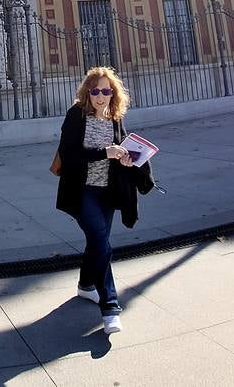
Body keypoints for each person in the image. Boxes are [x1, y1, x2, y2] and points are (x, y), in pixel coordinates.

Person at [54, 66, 154, 336]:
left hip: (108, 191)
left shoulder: (114, 117)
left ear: (113, 94)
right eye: (95, 91)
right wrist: (104, 152)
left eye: (106, 91)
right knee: (102, 244)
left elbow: (120, 147)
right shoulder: (76, 115)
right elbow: (69, 154)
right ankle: (110, 308)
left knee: (96, 244)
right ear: (87, 92)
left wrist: (125, 157)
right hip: (82, 190)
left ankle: (86, 286)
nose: (100, 96)